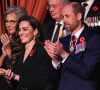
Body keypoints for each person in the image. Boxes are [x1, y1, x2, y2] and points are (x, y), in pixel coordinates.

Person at [44, 2, 100, 90]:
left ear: (79, 16)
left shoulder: (94, 39)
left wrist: (63, 54)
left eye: (67, 16)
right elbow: (53, 79)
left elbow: (86, 71)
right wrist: (55, 61)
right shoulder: (63, 41)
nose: (64, 20)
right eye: (63, 17)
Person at [2, 16, 52, 90]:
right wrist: (8, 77)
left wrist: (15, 76)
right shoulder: (19, 52)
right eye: (19, 30)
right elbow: (15, 83)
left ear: (35, 31)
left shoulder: (43, 51)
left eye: (25, 29)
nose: (21, 33)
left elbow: (43, 82)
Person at [0, 6, 28, 90]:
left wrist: (9, 53)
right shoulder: (3, 41)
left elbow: (22, 71)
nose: (8, 25)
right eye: (7, 21)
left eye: (12, 22)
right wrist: (3, 55)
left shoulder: (26, 43)